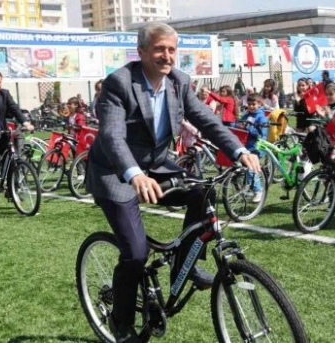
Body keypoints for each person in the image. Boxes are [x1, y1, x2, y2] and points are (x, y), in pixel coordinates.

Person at [85, 22, 260, 343]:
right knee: (135, 254)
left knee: (202, 191)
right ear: (141, 52)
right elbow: (111, 136)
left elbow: (206, 120)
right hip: (115, 171)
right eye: (159, 49)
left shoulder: (179, 81)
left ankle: (186, 264)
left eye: (171, 49)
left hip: (155, 166)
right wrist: (134, 174)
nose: (167, 56)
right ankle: (121, 323)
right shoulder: (118, 83)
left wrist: (238, 150)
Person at [314, 83, 335, 214]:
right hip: (326, 144)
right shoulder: (327, 107)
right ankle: (331, 200)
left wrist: (326, 116)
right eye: (327, 94)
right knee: (327, 173)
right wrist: (320, 117)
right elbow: (324, 125)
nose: (328, 97)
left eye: (331, 94)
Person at [238, 93, 268, 203]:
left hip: (256, 146)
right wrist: (239, 125)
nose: (250, 106)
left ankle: (258, 191)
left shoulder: (261, 117)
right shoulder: (246, 115)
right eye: (249, 104)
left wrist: (248, 128)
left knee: (251, 169)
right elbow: (240, 123)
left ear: (259, 104)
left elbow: (261, 135)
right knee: (245, 168)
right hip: (245, 146)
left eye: (253, 104)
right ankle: (249, 186)